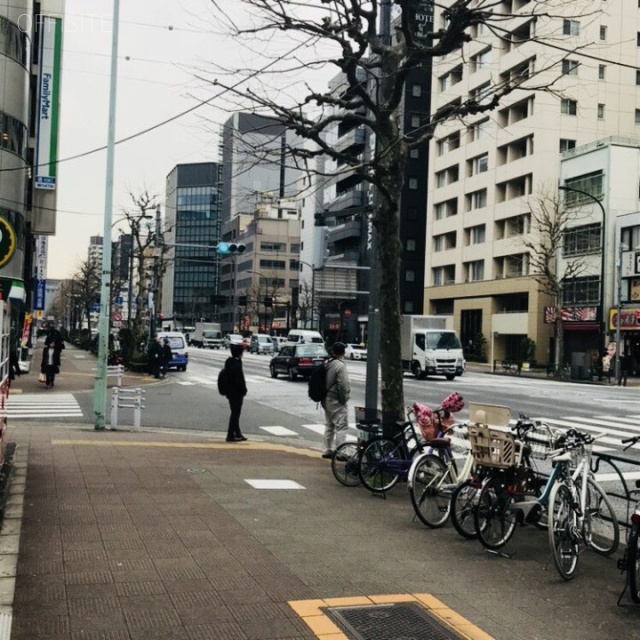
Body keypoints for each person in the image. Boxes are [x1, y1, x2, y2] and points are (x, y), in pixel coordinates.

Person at [321, 342, 351, 459]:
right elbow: (343, 385)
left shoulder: (327, 363)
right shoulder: (340, 366)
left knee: (329, 424)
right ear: (343, 352)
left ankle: (327, 449)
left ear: (333, 352)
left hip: (325, 398)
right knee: (341, 426)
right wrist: (344, 400)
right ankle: (341, 452)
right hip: (335, 400)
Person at [224, 343, 248, 442]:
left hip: (230, 392)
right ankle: (230, 435)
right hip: (237, 393)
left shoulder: (229, 362)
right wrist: (244, 390)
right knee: (235, 414)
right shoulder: (237, 364)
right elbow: (239, 380)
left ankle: (237, 433)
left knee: (234, 413)